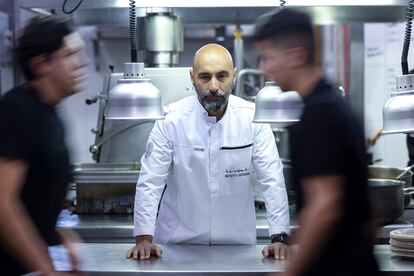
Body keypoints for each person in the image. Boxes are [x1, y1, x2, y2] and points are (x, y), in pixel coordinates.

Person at [126, 43, 290, 260]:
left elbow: (272, 181)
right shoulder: (170, 120)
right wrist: (144, 240)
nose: (214, 86)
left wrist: (279, 238)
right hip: (177, 246)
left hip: (237, 248)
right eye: (205, 77)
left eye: (222, 76)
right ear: (192, 78)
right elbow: (150, 182)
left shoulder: (253, 119)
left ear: (234, 77)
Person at [253, 8, 379, 276]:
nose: (265, 68)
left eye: (267, 58)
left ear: (295, 55)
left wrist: (290, 272)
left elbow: (325, 205)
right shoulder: (336, 104)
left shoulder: (319, 114)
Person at [0, 16, 87, 275]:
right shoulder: (17, 110)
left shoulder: (51, 115)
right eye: (69, 54)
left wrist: (62, 236)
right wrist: (46, 269)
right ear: (41, 63)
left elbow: (34, 197)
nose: (80, 63)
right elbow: (3, 203)